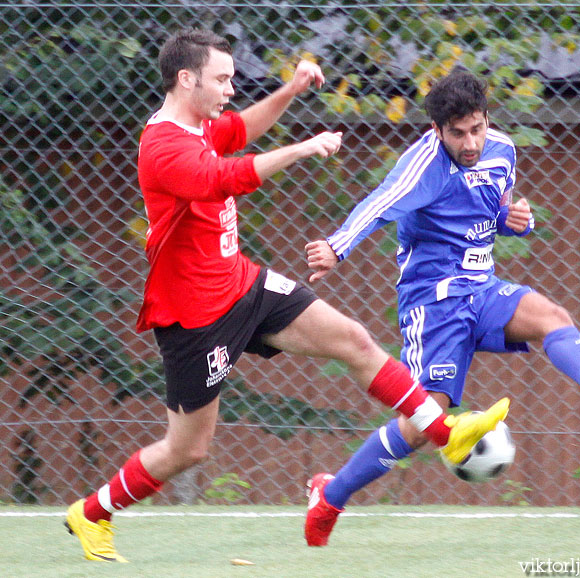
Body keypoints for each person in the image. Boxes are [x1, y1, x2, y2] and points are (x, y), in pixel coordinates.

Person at [63, 30, 510, 563]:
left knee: (354, 340)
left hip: (243, 285)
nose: (231, 89)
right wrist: (303, 147)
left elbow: (239, 130)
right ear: (187, 79)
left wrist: (291, 90)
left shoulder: (202, 125)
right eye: (222, 79)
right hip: (196, 316)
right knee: (188, 449)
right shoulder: (162, 145)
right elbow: (223, 177)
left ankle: (447, 435)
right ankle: (91, 513)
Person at [304, 68, 580, 546]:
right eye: (458, 133)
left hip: (482, 289)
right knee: (424, 421)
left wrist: (516, 223)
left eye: (477, 128)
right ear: (437, 130)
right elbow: (380, 203)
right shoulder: (423, 166)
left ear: (487, 119)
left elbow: (493, 211)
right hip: (435, 302)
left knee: (552, 318)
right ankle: (330, 497)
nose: (470, 142)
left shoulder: (502, 150)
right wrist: (336, 248)